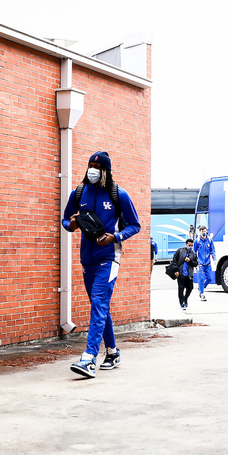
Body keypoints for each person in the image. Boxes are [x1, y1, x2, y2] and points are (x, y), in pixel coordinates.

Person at [62, 151, 141, 378]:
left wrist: (114, 238)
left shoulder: (119, 195)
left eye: (97, 166)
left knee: (98, 302)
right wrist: (72, 223)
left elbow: (135, 225)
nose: (92, 170)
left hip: (109, 256)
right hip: (87, 258)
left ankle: (89, 358)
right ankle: (113, 352)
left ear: (105, 170)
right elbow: (66, 220)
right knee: (100, 305)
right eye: (90, 165)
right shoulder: (79, 192)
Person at [171, 238, 199, 310]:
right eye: (189, 245)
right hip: (181, 273)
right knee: (181, 288)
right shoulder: (180, 251)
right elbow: (174, 261)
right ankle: (182, 303)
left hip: (189, 274)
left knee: (190, 288)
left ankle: (185, 298)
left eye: (191, 245)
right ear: (186, 244)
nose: (190, 247)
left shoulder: (193, 254)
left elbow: (196, 264)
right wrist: (176, 270)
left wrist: (190, 261)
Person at [194, 226, 216, 300]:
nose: (204, 232)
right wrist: (194, 262)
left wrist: (214, 259)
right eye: (202, 231)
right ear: (200, 232)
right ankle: (202, 293)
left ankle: (202, 287)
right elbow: (194, 252)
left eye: (205, 230)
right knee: (200, 279)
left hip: (208, 263)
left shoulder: (209, 240)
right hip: (200, 263)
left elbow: (212, 251)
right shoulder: (197, 241)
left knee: (210, 278)